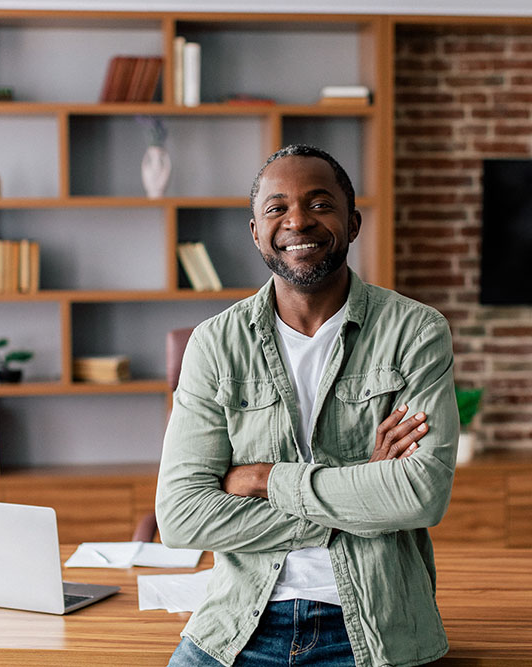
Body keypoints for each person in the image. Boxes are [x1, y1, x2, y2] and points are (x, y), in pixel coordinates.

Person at [156, 144, 457, 667]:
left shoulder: (415, 331)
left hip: (377, 626)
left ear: (353, 222)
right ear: (256, 232)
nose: (298, 220)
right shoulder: (214, 343)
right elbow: (182, 518)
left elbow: (419, 495)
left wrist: (263, 479)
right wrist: (360, 489)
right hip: (238, 624)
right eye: (277, 208)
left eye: (320, 204)